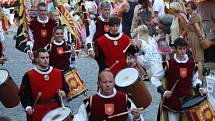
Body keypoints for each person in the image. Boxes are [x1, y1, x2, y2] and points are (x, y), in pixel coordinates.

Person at [151, 37, 206, 121]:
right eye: (180, 49)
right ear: (175, 49)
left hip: (188, 100)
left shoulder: (192, 65)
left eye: (184, 48)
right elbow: (154, 78)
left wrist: (200, 88)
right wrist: (163, 91)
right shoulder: (168, 64)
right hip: (173, 101)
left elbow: (195, 80)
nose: (182, 51)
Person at [73, 70, 144, 121]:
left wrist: (137, 117)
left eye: (110, 82)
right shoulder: (89, 102)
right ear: (98, 84)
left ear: (114, 82)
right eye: (104, 82)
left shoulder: (125, 99)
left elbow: (138, 119)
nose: (108, 85)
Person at [19, 48, 69, 121]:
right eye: (42, 58)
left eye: (47, 57)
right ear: (36, 59)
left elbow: (66, 89)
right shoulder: (29, 75)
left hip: (56, 110)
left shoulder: (58, 73)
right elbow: (23, 95)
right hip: (37, 111)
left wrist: (64, 93)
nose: (46, 60)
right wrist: (28, 107)